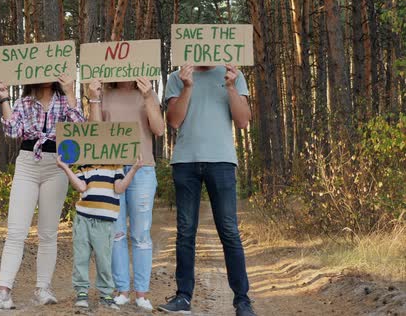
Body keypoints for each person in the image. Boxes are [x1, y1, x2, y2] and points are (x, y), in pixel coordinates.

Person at [158, 64, 256, 316]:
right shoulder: (176, 77)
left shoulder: (233, 75)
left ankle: (242, 301)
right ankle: (183, 298)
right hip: (185, 161)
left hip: (221, 161)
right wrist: (188, 86)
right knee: (185, 232)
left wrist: (232, 86)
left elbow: (243, 121)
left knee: (229, 231)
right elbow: (174, 120)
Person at [0, 74, 85, 310]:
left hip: (57, 164)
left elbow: (78, 129)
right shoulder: (24, 101)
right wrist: (4, 99)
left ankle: (43, 288)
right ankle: (3, 291)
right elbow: (12, 131)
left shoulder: (64, 99)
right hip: (27, 163)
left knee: (48, 233)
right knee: (16, 231)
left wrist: (70, 93)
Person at [88, 77, 164, 311]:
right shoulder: (104, 93)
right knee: (116, 233)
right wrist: (93, 98)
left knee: (141, 234)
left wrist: (149, 95)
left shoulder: (147, 93)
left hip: (142, 169)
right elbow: (94, 132)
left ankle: (141, 294)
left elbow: (159, 129)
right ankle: (121, 290)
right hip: (110, 170)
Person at [56, 154, 143, 310]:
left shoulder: (115, 166)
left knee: (104, 259)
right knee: (81, 257)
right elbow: (81, 187)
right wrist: (65, 168)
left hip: (105, 222)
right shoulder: (84, 166)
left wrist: (134, 169)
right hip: (83, 219)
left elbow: (120, 188)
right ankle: (81, 292)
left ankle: (106, 294)